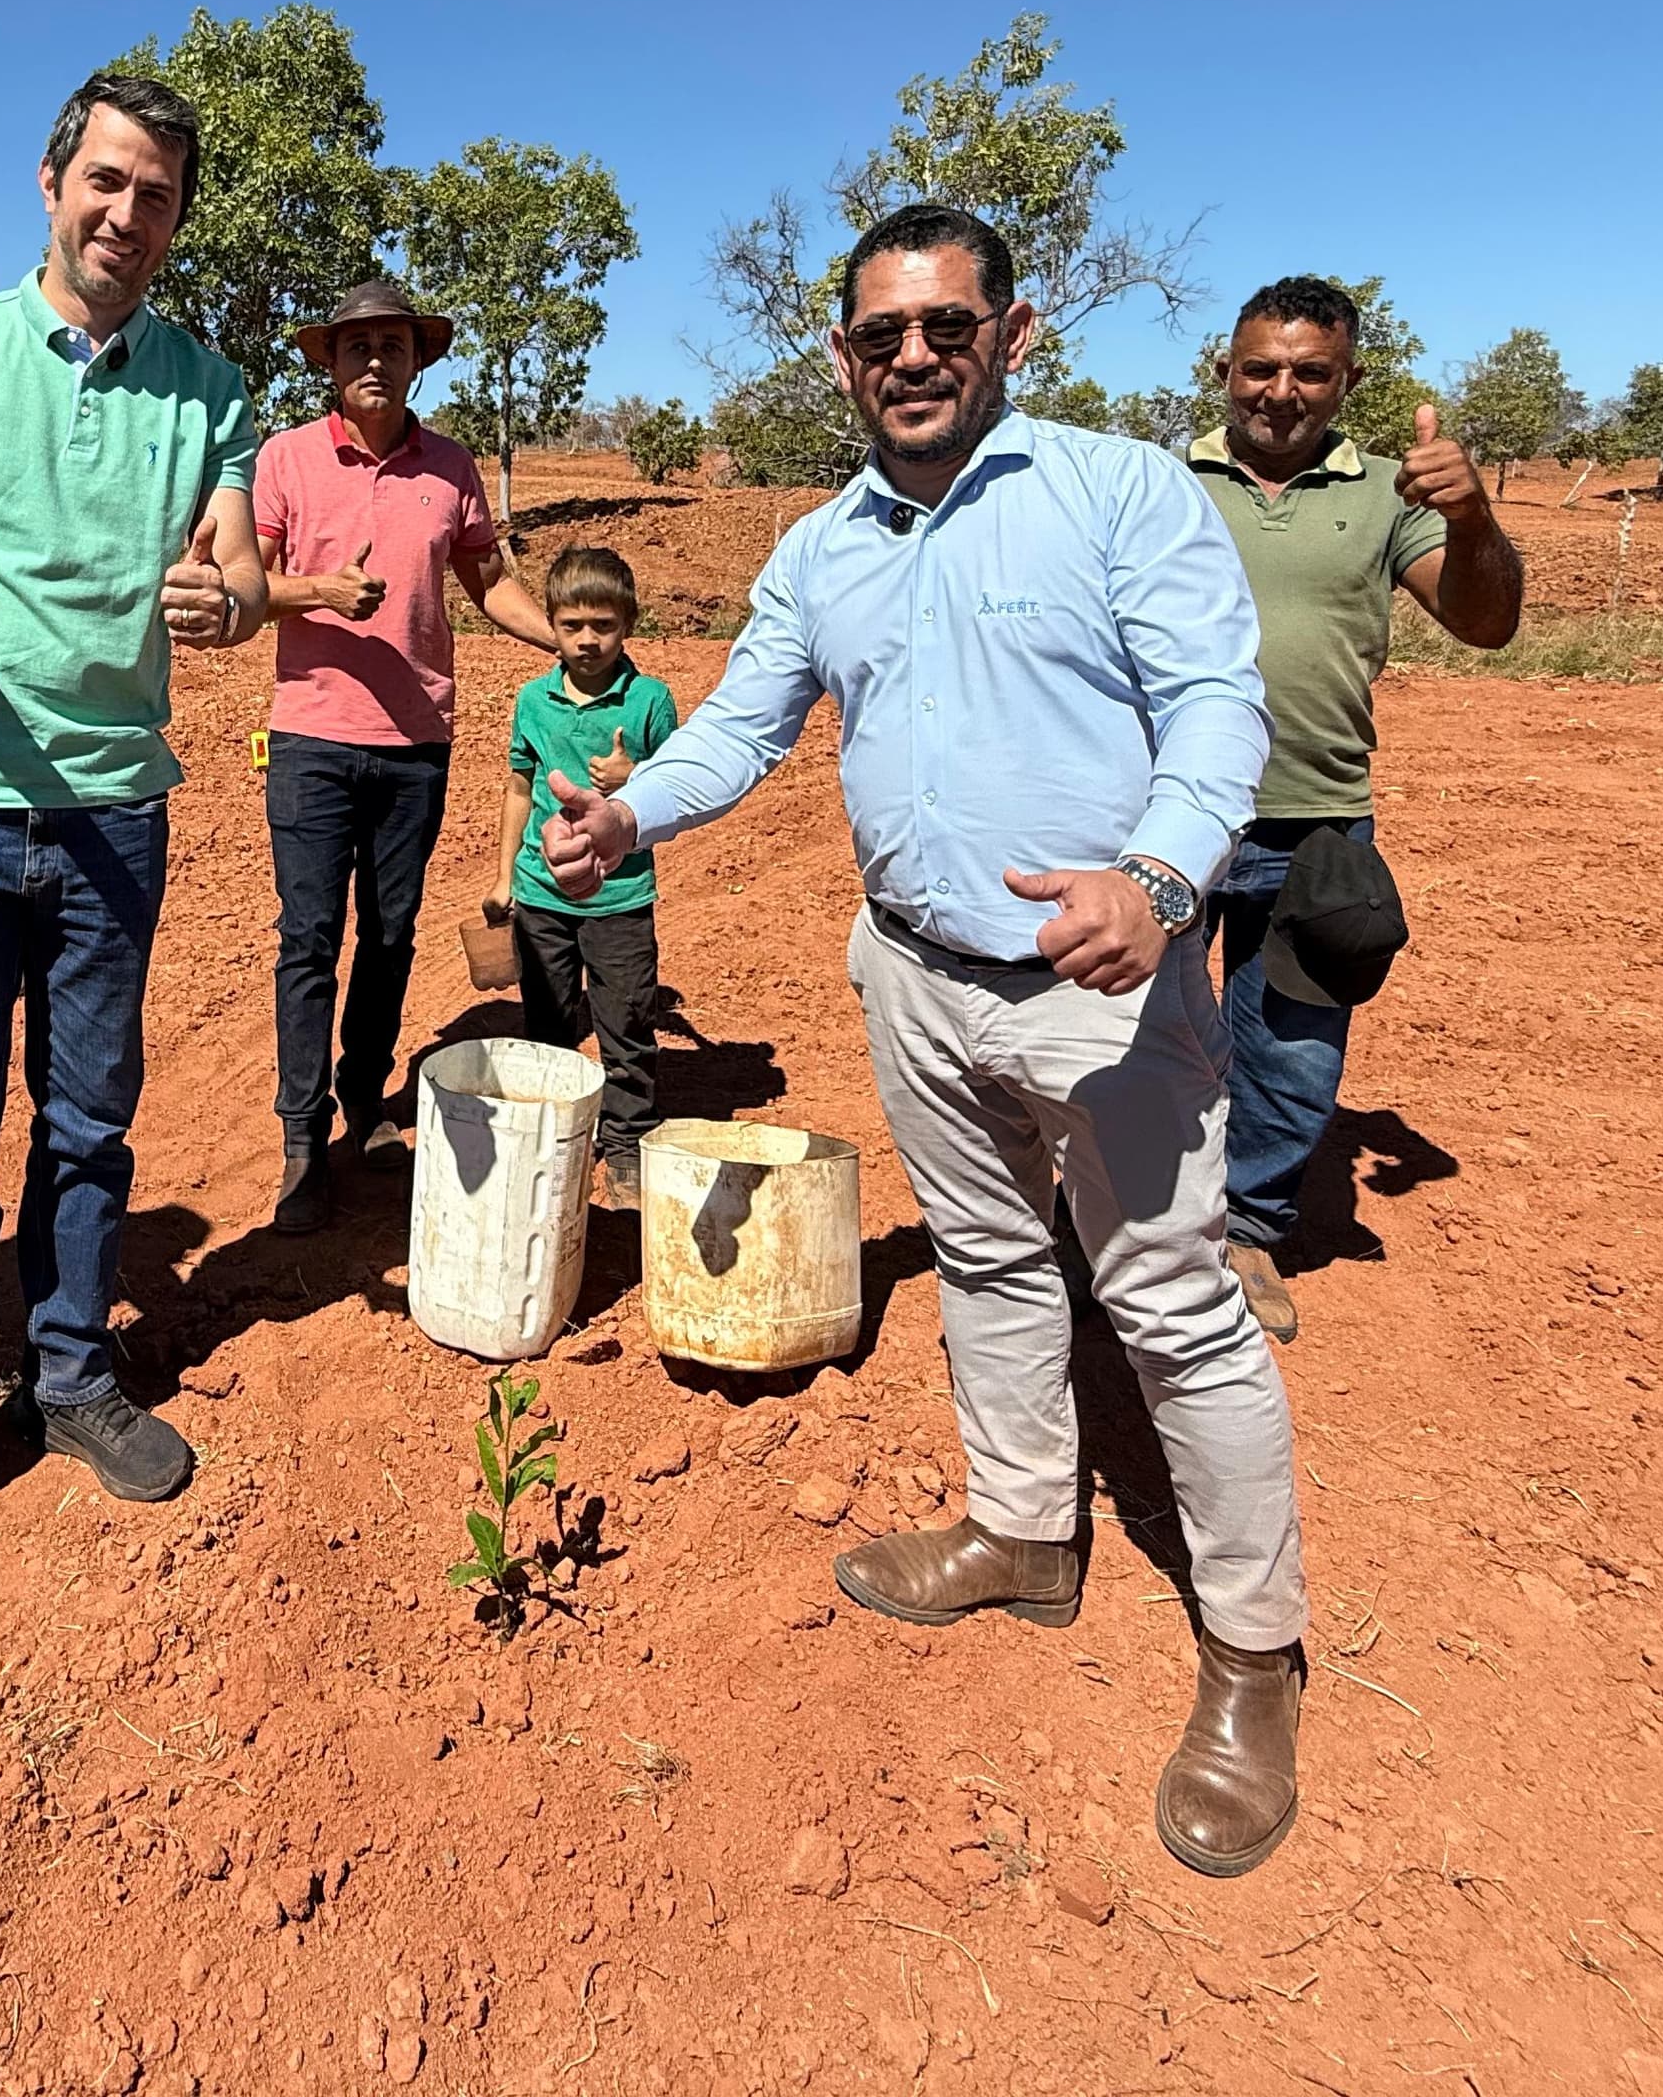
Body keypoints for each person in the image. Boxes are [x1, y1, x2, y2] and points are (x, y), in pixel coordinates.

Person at [541, 202, 1312, 1880]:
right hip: (912, 970)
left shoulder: (1118, 493)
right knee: (985, 1258)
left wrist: (1166, 879)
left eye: (945, 328)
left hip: (1111, 981)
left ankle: (1255, 1657)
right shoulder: (822, 548)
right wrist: (628, 818)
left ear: (1011, 336)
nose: (912, 358)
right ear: (843, 357)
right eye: (883, 335)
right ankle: (1027, 1533)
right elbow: (746, 719)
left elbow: (1216, 708)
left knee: (1172, 1307)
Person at [0, 70, 269, 1606]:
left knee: (91, 1121)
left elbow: (240, 571)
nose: (127, 215)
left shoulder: (209, 387)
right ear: (50, 180)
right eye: (107, 181)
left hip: (109, 816)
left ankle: (71, 1377)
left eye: (156, 196)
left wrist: (230, 605)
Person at [1184, 278, 1524, 1341]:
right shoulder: (1151, 482)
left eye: (1310, 372)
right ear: (1225, 371)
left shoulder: (1391, 496)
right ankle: (1123, 1224)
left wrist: (1470, 516)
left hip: (1318, 815)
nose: (1280, 392)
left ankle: (1246, 1232)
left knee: (1293, 1042)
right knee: (1138, 1033)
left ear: (1348, 382)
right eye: (1259, 368)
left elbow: (1486, 622)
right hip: (1166, 810)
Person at [251, 277, 558, 1233]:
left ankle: (364, 1104)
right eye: (356, 348)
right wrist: (313, 591)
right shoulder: (286, 460)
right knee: (309, 940)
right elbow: (242, 586)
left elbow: (488, 584)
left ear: (416, 359)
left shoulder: (452, 468)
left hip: (416, 743)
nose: (375, 361)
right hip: (310, 738)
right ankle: (303, 1141)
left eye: (392, 345)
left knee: (388, 937)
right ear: (331, 367)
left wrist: (562, 640)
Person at [490, 545, 678, 1198]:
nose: (588, 640)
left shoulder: (651, 701)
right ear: (553, 624)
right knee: (546, 1023)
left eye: (604, 625)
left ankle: (626, 1143)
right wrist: (504, 875)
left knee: (625, 1021)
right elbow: (520, 786)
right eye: (573, 626)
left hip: (621, 896)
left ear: (628, 624)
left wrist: (638, 778)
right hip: (543, 891)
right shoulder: (533, 700)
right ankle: (554, 1137)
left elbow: (680, 788)